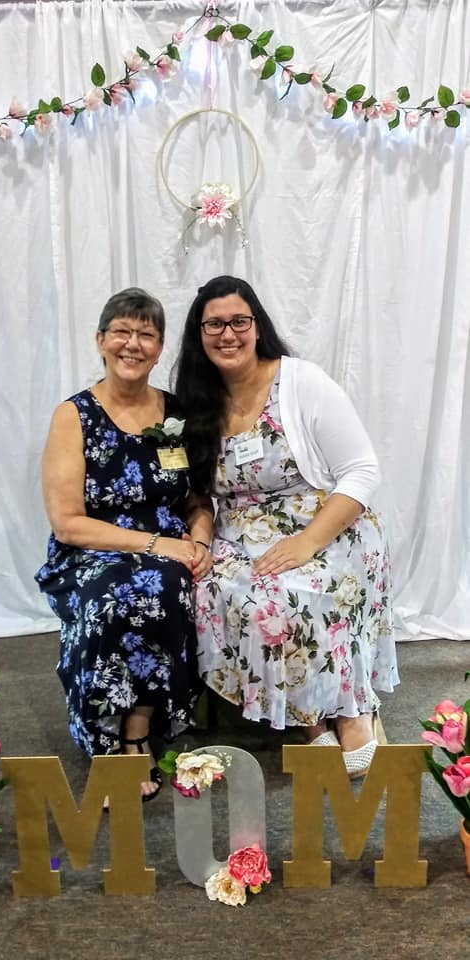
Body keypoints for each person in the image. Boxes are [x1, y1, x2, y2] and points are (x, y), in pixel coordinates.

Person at [175, 276, 399, 778]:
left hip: (325, 521)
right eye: (214, 324)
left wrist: (307, 542)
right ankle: (310, 715)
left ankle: (352, 707)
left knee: (312, 588)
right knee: (244, 595)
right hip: (240, 534)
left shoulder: (300, 382)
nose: (228, 334)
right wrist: (200, 540)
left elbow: (362, 471)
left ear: (257, 326)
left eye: (239, 321)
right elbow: (197, 494)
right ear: (199, 333)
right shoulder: (196, 400)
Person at [36, 288, 213, 799]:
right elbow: (67, 523)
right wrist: (156, 544)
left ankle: (137, 731)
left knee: (165, 587)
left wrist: (199, 539)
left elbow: (198, 499)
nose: (133, 344)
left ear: (159, 350)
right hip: (90, 550)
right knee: (110, 597)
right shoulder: (73, 415)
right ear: (100, 340)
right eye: (122, 331)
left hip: (166, 551)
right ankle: (103, 734)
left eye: (146, 335)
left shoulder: (176, 415)